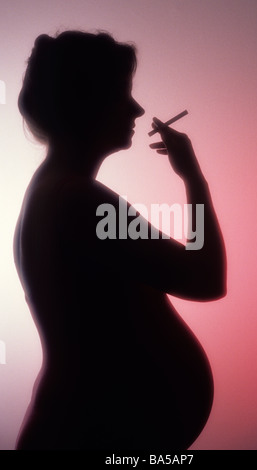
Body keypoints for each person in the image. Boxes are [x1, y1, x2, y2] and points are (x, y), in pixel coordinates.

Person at [14, 30, 226, 450]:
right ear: (85, 103)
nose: (137, 108)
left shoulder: (56, 192)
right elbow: (206, 278)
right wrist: (193, 177)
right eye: (121, 94)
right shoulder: (78, 200)